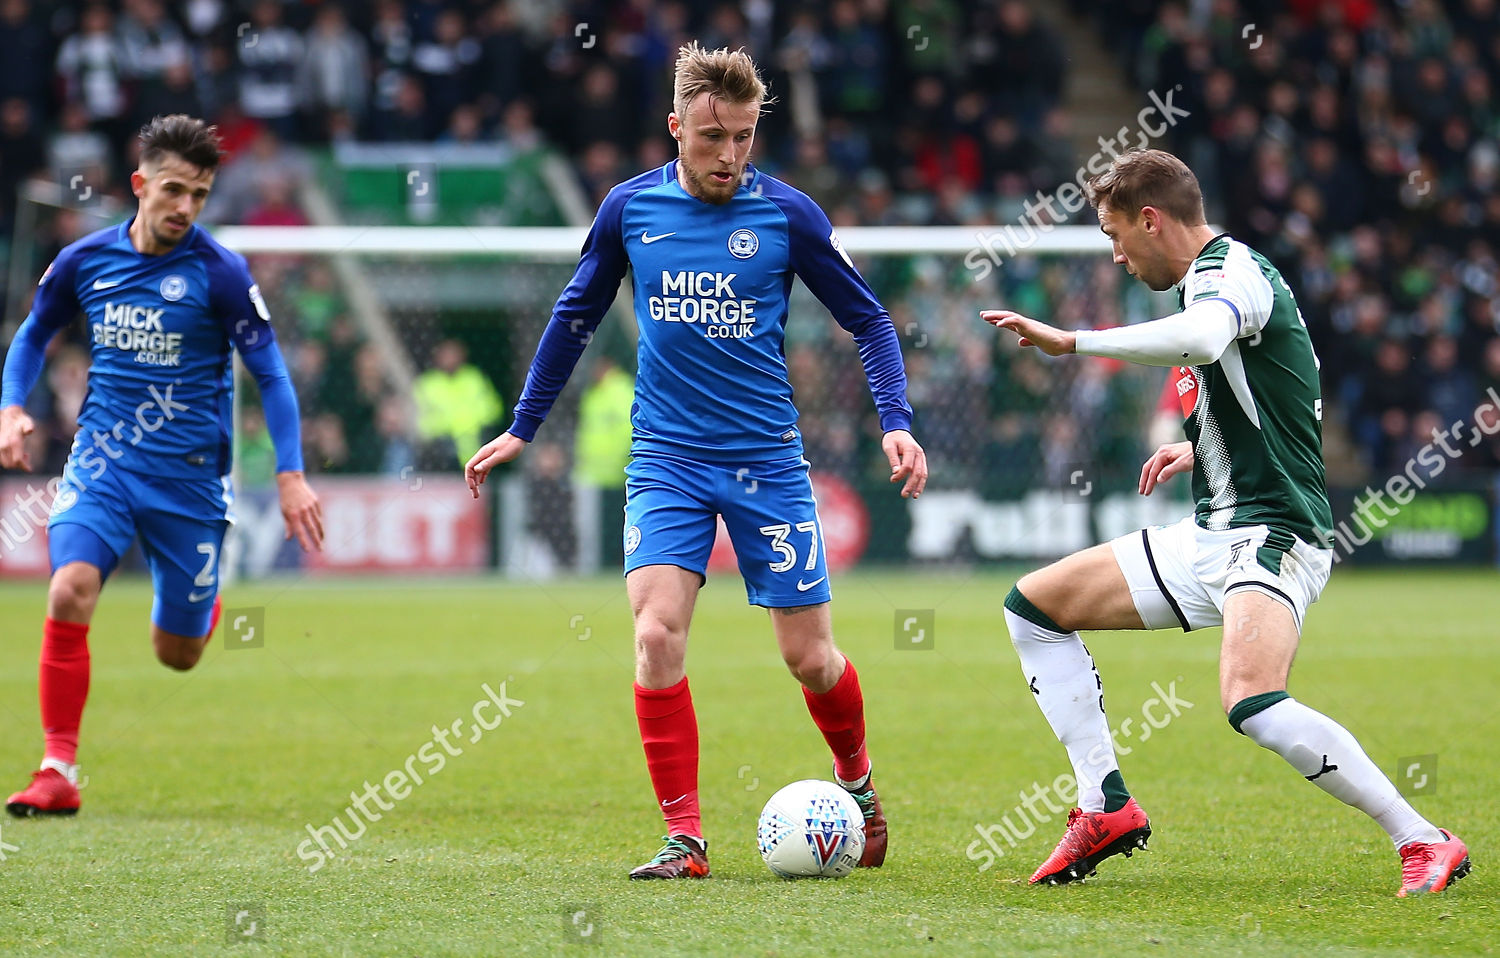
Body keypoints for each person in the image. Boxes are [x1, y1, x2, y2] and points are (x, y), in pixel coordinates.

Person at [466, 42, 927, 879]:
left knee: (810, 659)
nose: (729, 155)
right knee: (654, 636)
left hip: (766, 462)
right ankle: (686, 841)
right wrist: (523, 428)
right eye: (712, 136)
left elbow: (871, 321)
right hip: (667, 459)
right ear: (676, 126)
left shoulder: (789, 215)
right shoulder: (627, 210)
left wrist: (895, 419)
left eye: (745, 137)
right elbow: (575, 317)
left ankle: (857, 784)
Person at [981, 148, 1469, 897]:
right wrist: (1200, 444)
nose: (1113, 255)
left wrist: (1073, 341)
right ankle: (1103, 806)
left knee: (1252, 700)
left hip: (1277, 534)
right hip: (1216, 529)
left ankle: (1424, 841)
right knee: (1035, 607)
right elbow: (1267, 384)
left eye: (1115, 235)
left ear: (1152, 220)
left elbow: (1206, 340)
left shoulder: (1228, 273)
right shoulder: (1206, 283)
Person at [1, 114, 323, 817]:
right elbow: (33, 335)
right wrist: (10, 407)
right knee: (69, 590)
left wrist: (291, 472)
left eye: (199, 195)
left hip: (189, 481)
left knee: (176, 654)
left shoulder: (220, 273)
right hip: (103, 464)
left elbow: (271, 375)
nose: (185, 208)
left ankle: (197, 608)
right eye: (174, 190)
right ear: (140, 184)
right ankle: (58, 767)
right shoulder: (86, 260)